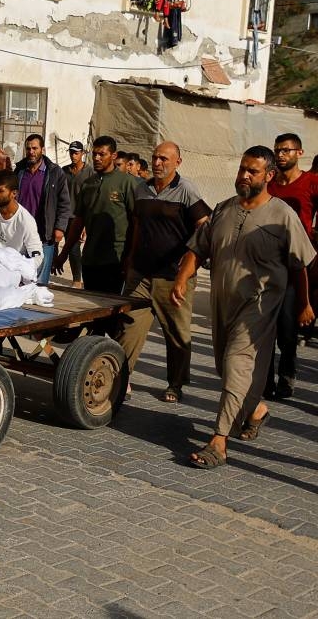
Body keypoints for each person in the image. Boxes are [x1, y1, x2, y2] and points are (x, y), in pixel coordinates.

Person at [172, 146, 315, 469]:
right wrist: (181, 279)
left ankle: (218, 441)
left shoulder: (282, 216)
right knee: (227, 370)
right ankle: (255, 411)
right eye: (241, 169)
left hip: (260, 308)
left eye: (252, 171)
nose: (244, 176)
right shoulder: (223, 209)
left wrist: (305, 304)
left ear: (269, 176)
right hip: (223, 305)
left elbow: (300, 265)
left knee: (237, 365)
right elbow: (198, 248)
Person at [116, 142, 211, 403]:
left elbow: (205, 228)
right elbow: (136, 227)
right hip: (141, 274)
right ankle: (121, 378)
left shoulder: (186, 190)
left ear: (177, 162)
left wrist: (188, 266)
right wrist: (130, 261)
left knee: (177, 333)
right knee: (130, 326)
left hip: (173, 277)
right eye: (155, 158)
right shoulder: (140, 189)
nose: (158, 163)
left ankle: (175, 383)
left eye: (164, 159)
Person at [264, 133, 318, 400]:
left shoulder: (311, 182)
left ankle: (286, 374)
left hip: (296, 265)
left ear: (299, 152)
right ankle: (263, 380)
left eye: (286, 150)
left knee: (286, 325)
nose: (281, 155)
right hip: (266, 263)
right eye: (277, 150)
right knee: (263, 326)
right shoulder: (269, 183)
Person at [53, 135, 136, 294]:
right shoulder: (88, 184)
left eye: (102, 154)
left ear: (113, 156)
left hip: (115, 259)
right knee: (90, 305)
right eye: (95, 154)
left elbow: (136, 222)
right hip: (90, 258)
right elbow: (79, 221)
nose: (97, 158)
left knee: (110, 309)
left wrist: (131, 257)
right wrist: (64, 253)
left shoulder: (127, 183)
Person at [12, 134, 70, 285]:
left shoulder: (55, 173)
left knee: (39, 283)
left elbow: (64, 203)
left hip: (44, 235)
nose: (31, 152)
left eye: (35, 148)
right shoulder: (19, 171)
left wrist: (60, 228)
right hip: (20, 235)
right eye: (28, 148)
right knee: (18, 281)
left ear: (42, 149)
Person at [0, 169, 44, 269]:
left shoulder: (26, 220)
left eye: (0, 191)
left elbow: (37, 256)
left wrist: (19, 268)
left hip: (13, 269)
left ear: (14, 193)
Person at [62, 140, 94, 288]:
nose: (73, 155)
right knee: (58, 245)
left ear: (82, 153)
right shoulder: (64, 171)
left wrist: (86, 225)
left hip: (79, 216)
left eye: (76, 152)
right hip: (64, 214)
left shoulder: (89, 172)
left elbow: (91, 197)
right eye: (71, 152)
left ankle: (77, 279)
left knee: (74, 248)